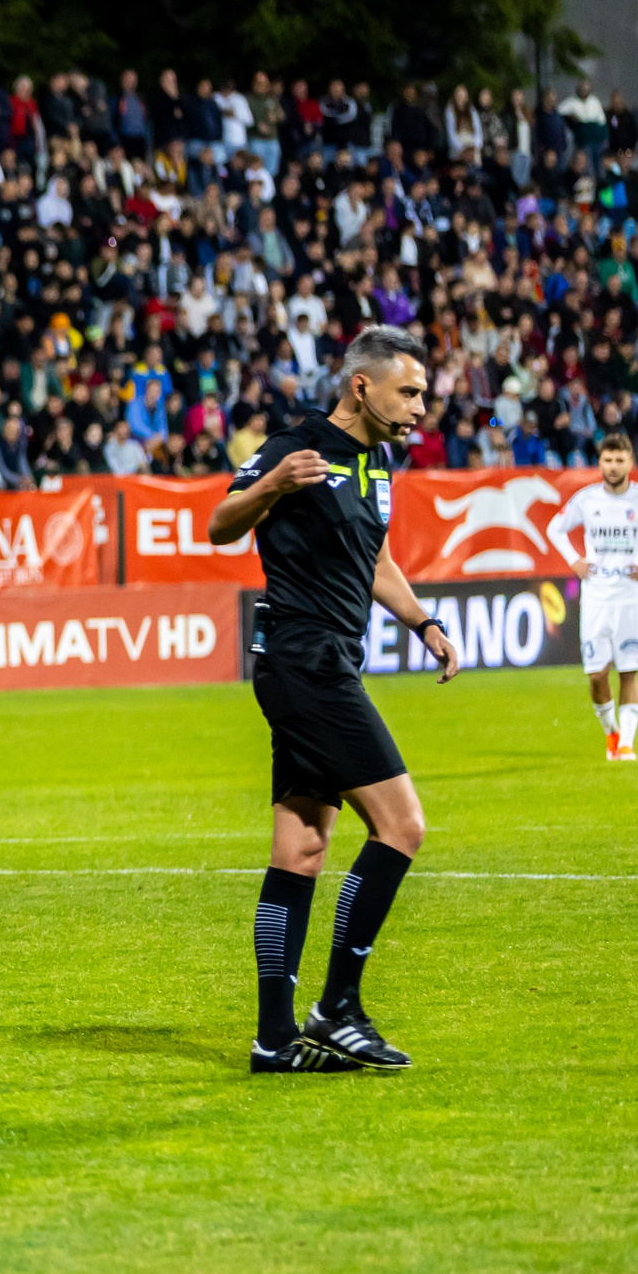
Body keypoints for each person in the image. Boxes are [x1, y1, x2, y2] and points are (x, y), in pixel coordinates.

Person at [208, 325, 458, 1076]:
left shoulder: (376, 461)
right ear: (362, 386)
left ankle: (274, 1040)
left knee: (304, 847)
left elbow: (373, 555)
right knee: (403, 824)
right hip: (303, 662)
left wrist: (423, 621)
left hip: (325, 660)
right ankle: (337, 1008)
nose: (420, 406)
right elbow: (221, 525)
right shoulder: (298, 445)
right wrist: (274, 484)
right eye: (408, 391)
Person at [547, 432, 638, 761]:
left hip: (630, 596)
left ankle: (626, 744)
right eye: (607, 460)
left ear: (631, 463)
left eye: (619, 460)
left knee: (629, 670)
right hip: (596, 597)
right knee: (596, 675)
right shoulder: (587, 499)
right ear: (599, 463)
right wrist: (574, 561)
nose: (613, 466)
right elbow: (556, 528)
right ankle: (611, 732)